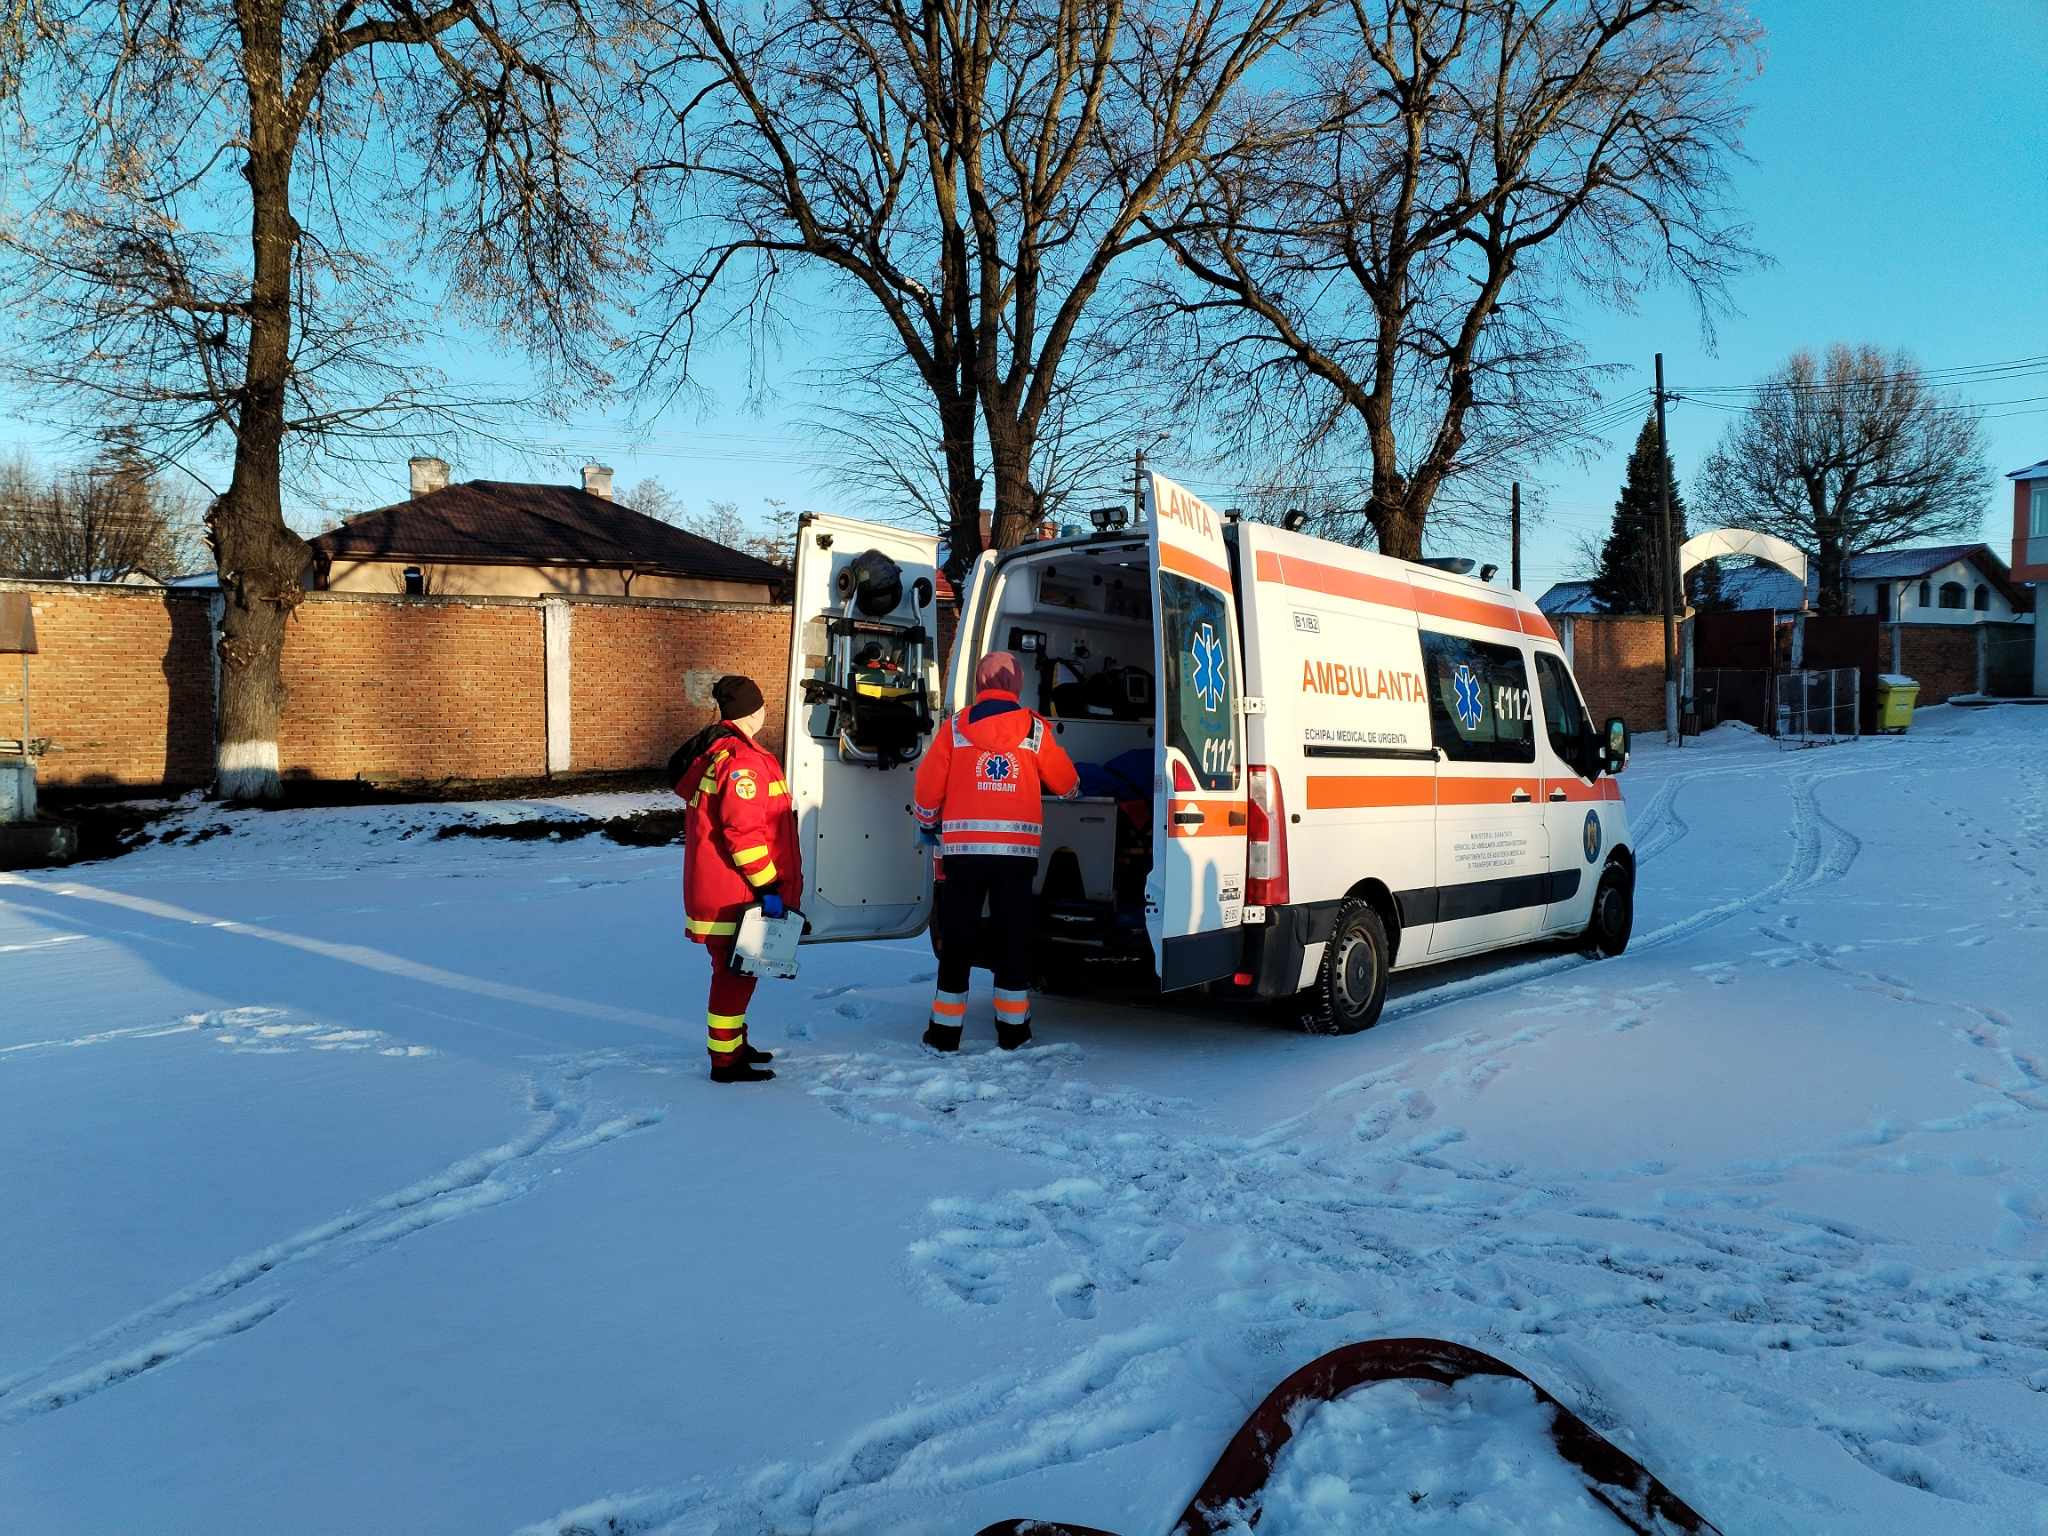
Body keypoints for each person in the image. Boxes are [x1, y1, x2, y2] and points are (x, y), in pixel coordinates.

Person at [911, 651, 1078, 1052]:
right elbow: (1066, 783)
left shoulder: (955, 728)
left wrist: (927, 820)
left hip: (963, 855)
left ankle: (945, 1034)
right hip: (1017, 857)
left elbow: (927, 788)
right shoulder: (1034, 729)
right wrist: (1071, 791)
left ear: (979, 683)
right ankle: (1014, 1033)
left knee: (958, 939)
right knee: (1012, 939)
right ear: (1017, 684)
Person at [668, 675, 800, 1085]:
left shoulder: (721, 752)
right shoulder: (743, 761)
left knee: (737, 972)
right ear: (753, 711)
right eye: (762, 706)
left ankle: (735, 1045)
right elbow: (742, 833)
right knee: (733, 976)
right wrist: (769, 887)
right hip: (738, 895)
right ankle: (726, 1061)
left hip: (724, 889)